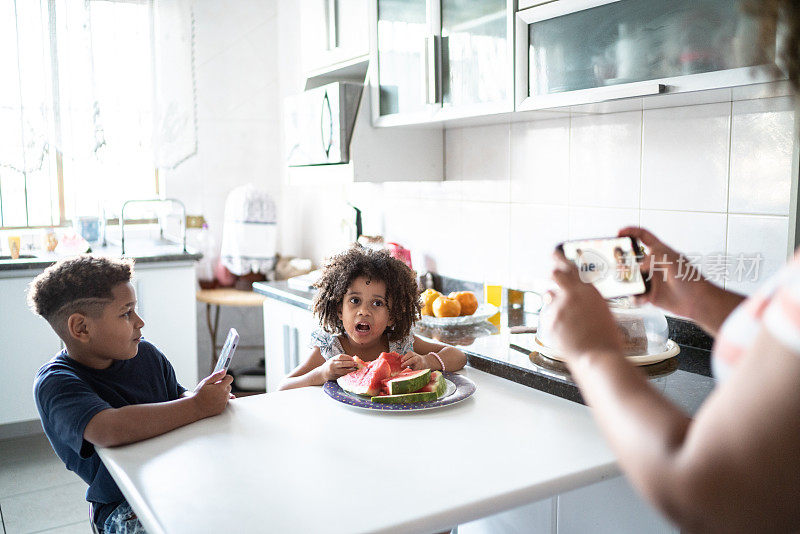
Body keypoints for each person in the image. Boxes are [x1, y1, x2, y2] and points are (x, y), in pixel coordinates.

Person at [28, 255, 234, 534]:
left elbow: (175, 396)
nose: (140, 321)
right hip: (123, 504)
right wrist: (197, 406)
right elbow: (107, 429)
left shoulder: (145, 353)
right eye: (126, 313)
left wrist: (200, 397)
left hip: (178, 478)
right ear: (81, 328)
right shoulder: (56, 383)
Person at [279, 246, 467, 390]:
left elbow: (459, 356)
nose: (364, 311)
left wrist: (427, 362)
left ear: (392, 316)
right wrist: (321, 373)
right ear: (339, 311)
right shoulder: (331, 349)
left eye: (377, 303)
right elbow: (284, 386)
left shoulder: (399, 344)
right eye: (355, 300)